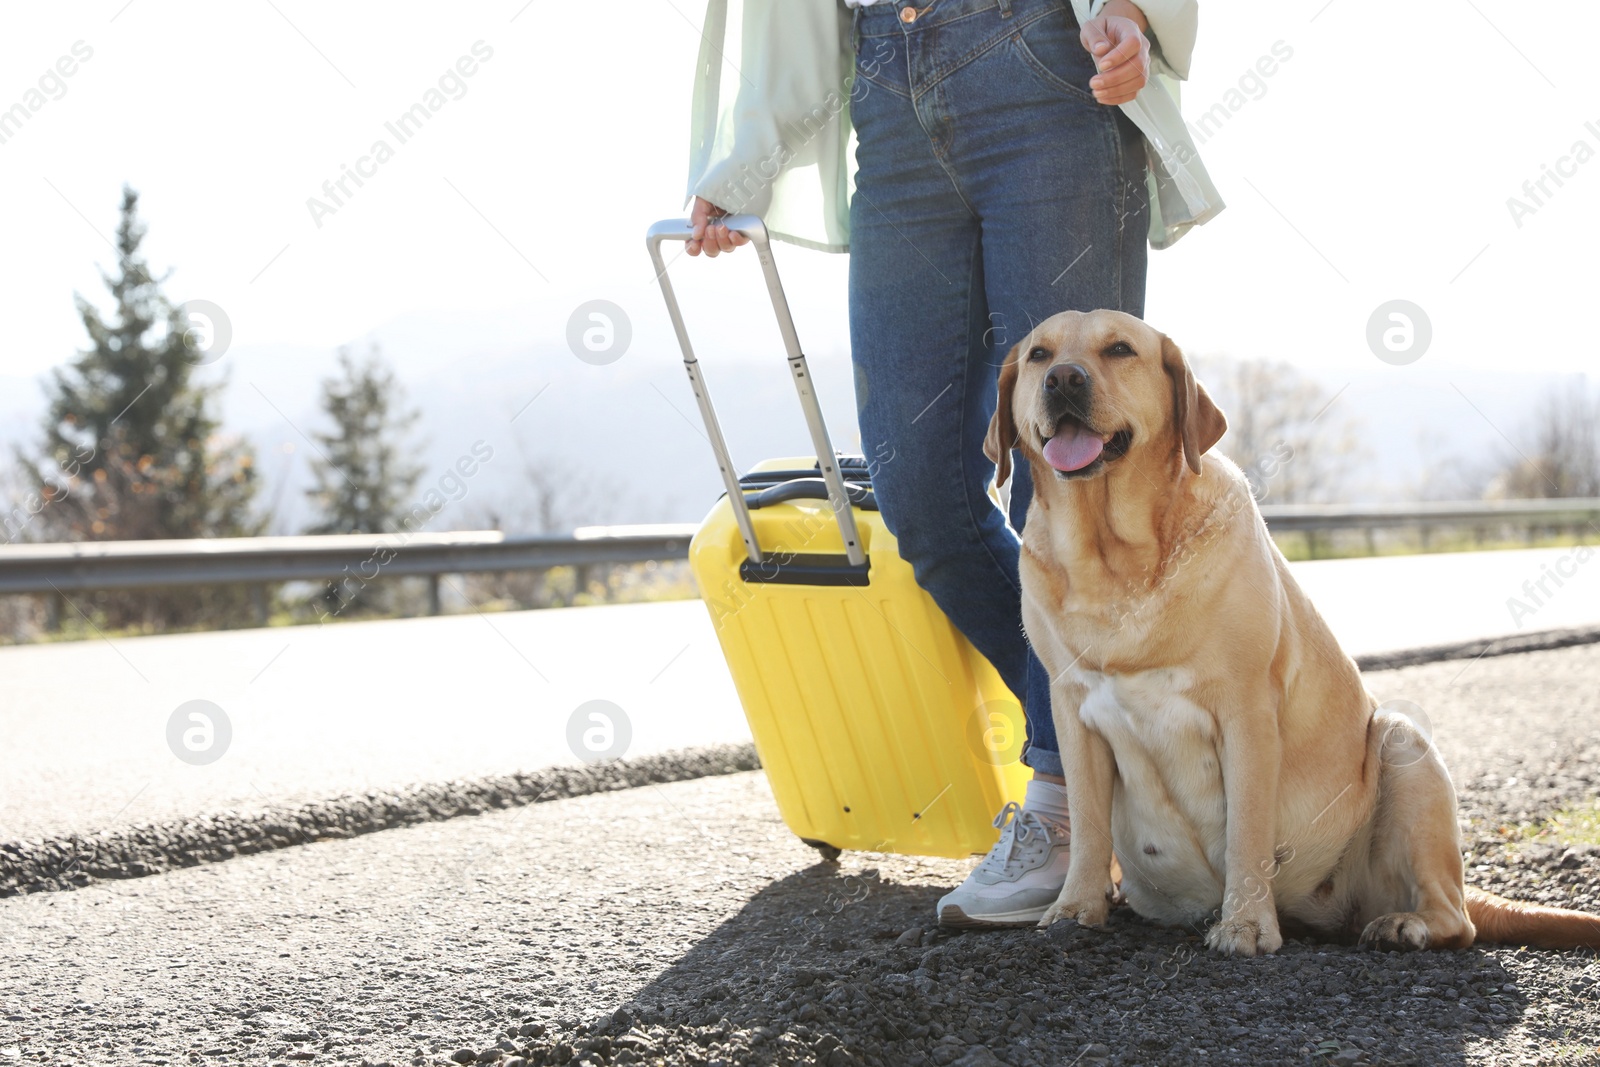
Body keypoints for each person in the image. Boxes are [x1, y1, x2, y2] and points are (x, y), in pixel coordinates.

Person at [683, 0, 1221, 927]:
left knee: (1072, 470)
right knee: (918, 486)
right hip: (886, 88)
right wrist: (749, 155)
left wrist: (1129, 11)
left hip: (1046, 73)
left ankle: (1059, 806)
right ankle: (1124, 748)